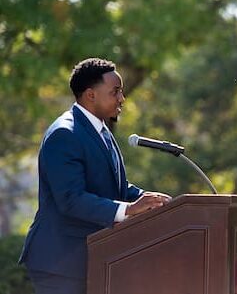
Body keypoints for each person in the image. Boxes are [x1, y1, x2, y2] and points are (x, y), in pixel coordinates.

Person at [19, 57, 171, 294]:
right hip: (61, 263)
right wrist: (129, 209)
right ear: (91, 95)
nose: (122, 98)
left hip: (92, 258)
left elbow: (112, 185)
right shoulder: (64, 134)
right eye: (115, 92)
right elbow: (71, 199)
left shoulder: (101, 130)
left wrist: (148, 199)